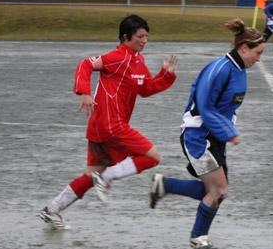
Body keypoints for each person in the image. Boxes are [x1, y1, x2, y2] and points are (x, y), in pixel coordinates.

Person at [37, 14, 178, 229]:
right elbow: (85, 64)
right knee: (152, 157)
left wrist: (166, 75)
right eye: (140, 36)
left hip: (100, 128)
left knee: (92, 175)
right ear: (125, 37)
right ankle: (108, 177)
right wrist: (84, 92)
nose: (145, 40)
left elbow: (146, 89)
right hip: (111, 125)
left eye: (146, 36)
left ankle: (52, 209)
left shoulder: (138, 61)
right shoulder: (117, 57)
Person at [148, 18, 265, 249]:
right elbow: (204, 106)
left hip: (215, 138)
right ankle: (198, 237)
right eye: (258, 52)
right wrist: (229, 132)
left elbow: (225, 108)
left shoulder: (239, 69)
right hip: (197, 137)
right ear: (244, 48)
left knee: (216, 192)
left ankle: (165, 185)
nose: (259, 58)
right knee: (218, 190)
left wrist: (225, 132)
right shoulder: (219, 68)